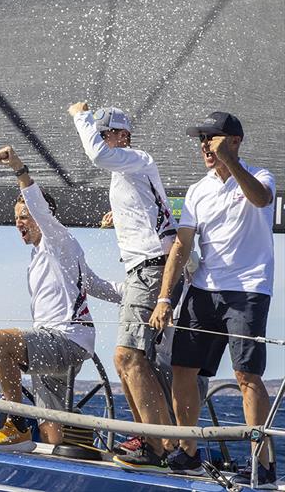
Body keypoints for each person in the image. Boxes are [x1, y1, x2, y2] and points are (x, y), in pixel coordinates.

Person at [150, 112, 277, 486]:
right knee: (182, 370)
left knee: (246, 376)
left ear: (234, 140)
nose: (205, 145)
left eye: (213, 137)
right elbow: (181, 246)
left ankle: (262, 463)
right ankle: (187, 452)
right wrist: (163, 299)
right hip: (204, 290)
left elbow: (261, 199)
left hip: (248, 289)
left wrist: (231, 163)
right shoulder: (197, 190)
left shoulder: (260, 176)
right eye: (201, 139)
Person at [0, 145, 122, 451]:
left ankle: (14, 425)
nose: (19, 222)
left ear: (46, 218)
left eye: (25, 216)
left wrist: (18, 167)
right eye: (16, 218)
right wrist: (144, 295)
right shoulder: (48, 257)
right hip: (53, 343)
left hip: (64, 341)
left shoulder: (58, 240)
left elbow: (37, 204)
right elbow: (96, 285)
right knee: (50, 425)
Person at [69, 102, 177, 470]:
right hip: (142, 268)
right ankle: (152, 439)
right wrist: (122, 216)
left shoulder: (136, 158)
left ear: (123, 136)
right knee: (132, 360)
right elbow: (157, 207)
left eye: (105, 133)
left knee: (128, 357)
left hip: (148, 270)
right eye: (97, 133)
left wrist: (80, 116)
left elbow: (97, 156)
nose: (100, 140)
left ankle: (158, 445)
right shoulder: (129, 172)